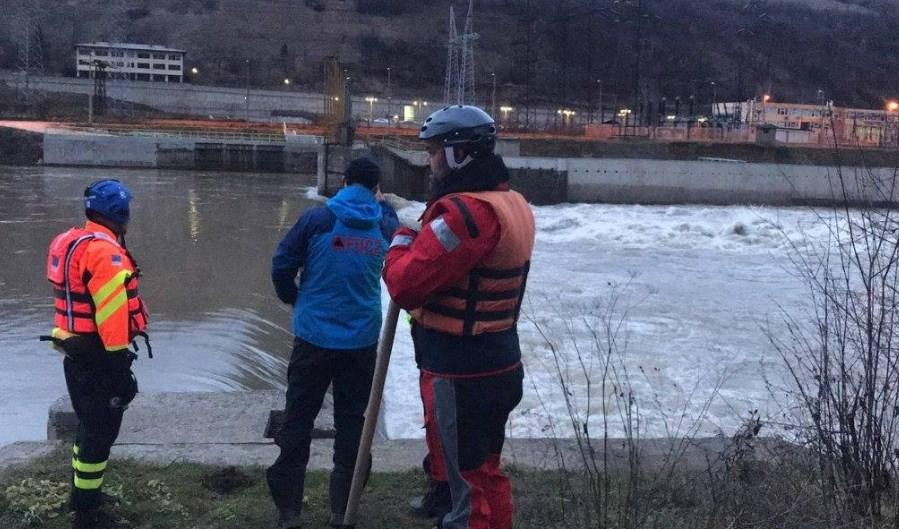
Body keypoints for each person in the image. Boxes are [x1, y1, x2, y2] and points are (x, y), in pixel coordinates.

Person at [383, 105, 536, 529]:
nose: (429, 161)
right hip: (500, 361)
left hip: (463, 372)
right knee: (485, 473)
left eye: (433, 151)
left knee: (469, 489)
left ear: (458, 154)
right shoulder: (512, 203)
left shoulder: (466, 216)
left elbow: (405, 285)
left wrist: (401, 239)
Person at [267, 157, 399, 529]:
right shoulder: (384, 223)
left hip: (313, 338)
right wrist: (383, 204)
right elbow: (410, 249)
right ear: (375, 189)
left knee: (299, 419)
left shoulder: (318, 219)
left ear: (343, 183)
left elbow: (281, 264)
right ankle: (343, 510)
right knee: (352, 423)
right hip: (361, 341)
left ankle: (289, 510)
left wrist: (294, 297)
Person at [44, 179, 150, 528]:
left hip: (75, 351)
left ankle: (83, 494)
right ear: (120, 213)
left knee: (88, 427)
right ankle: (87, 514)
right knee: (100, 433)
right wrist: (119, 366)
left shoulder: (70, 240)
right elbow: (112, 315)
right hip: (100, 356)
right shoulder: (105, 252)